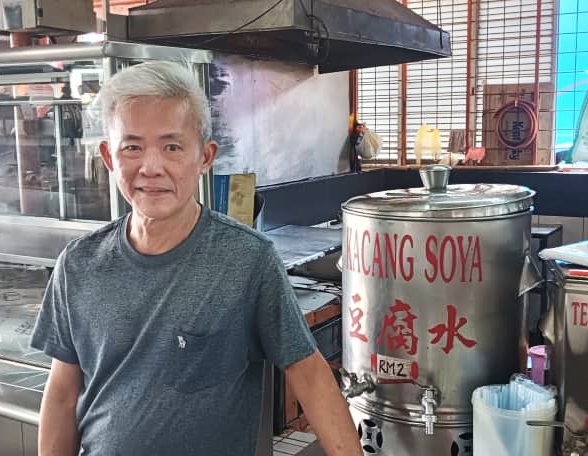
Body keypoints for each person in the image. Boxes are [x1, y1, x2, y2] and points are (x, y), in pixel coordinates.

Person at [32, 61, 361, 456]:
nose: (150, 167)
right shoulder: (79, 264)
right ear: (108, 156)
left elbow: (309, 374)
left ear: (205, 156)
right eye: (132, 146)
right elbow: (63, 394)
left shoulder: (246, 260)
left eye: (172, 146)